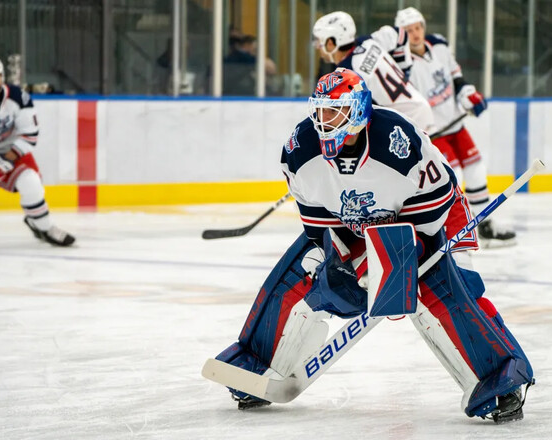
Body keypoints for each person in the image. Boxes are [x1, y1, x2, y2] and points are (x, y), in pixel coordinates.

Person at [214, 68, 534, 423]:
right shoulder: (300, 150)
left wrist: (393, 265)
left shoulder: (398, 143)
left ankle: (498, 379)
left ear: (359, 111)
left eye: (334, 111)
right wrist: (349, 263)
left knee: (448, 290)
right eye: (320, 111)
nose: (324, 121)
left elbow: (433, 214)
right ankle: (255, 363)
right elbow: (319, 227)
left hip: (428, 218)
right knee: (303, 273)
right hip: (352, 226)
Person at [394, 7, 516, 247]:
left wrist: (469, 96)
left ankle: (485, 226)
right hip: (432, 134)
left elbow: (457, 79)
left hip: (456, 125)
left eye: (418, 28)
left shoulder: (439, 46)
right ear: (402, 34)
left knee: (476, 169)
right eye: (409, 31)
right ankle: (451, 230)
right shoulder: (401, 65)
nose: (416, 34)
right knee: (451, 179)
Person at [0, 54, 75, 246]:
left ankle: (44, 228)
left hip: (11, 151)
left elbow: (30, 134)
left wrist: (6, 160)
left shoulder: (17, 97)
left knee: (31, 184)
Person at [312, 11, 436, 134]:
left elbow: (362, 117)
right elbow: (400, 34)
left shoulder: (347, 75)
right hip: (421, 109)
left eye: (320, 41)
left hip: (407, 126)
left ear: (331, 43)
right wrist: (404, 70)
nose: (318, 46)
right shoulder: (368, 41)